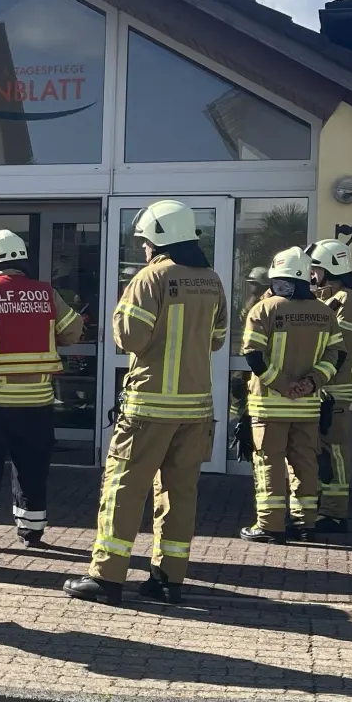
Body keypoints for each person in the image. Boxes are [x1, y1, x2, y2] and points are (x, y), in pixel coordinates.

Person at [63, 200, 226, 606]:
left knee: (124, 489)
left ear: (159, 238)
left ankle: (106, 578)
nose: (143, 249)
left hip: (149, 406)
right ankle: (169, 579)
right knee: (180, 493)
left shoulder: (150, 279)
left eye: (144, 241)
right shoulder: (212, 280)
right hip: (196, 410)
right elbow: (218, 339)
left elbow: (129, 339)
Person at [0, 230, 84, 549]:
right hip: (37, 402)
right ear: (23, 260)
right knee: (32, 466)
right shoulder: (46, 293)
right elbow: (73, 332)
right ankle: (32, 532)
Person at [239, 247, 341, 543]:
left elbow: (253, 356)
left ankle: (270, 525)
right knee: (305, 464)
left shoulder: (264, 309)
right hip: (307, 407)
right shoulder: (325, 312)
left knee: (269, 462)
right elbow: (336, 354)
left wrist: (283, 385)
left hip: (270, 407)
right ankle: (305, 522)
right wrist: (311, 383)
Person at [305, 239, 352, 533]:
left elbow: (342, 347)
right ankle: (319, 506)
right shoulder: (324, 299)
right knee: (318, 450)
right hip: (321, 387)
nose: (312, 274)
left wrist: (320, 377)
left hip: (335, 390)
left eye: (316, 269)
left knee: (335, 451)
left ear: (330, 268)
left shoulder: (347, 300)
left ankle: (335, 512)